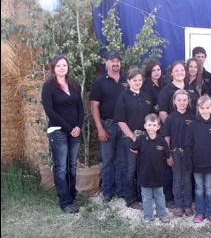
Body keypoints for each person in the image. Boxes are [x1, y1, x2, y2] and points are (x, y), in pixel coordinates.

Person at [41, 55, 84, 214]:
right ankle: (65, 202)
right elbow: (50, 111)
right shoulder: (48, 87)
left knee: (72, 166)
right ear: (54, 68)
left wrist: (78, 126)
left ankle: (72, 196)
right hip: (58, 131)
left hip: (75, 131)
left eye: (64, 65)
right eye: (58, 65)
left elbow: (81, 107)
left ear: (68, 67)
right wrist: (68, 127)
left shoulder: (73, 85)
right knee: (61, 167)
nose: (61, 68)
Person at [114, 68, 154, 209]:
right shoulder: (123, 97)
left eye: (139, 80)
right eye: (134, 80)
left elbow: (151, 117)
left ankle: (141, 196)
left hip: (145, 137)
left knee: (141, 168)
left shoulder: (146, 96)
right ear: (128, 81)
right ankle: (130, 199)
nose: (137, 82)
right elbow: (120, 120)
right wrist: (132, 136)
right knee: (130, 169)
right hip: (129, 138)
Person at [89, 50, 126, 202]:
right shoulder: (100, 82)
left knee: (122, 160)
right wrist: (100, 128)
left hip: (124, 126)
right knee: (108, 161)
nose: (115, 63)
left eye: (117, 61)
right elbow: (93, 106)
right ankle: (108, 193)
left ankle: (121, 191)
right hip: (108, 125)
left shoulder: (126, 81)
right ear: (106, 63)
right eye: (112, 61)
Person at [184, 95, 211, 224]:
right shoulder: (193, 125)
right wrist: (189, 160)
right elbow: (188, 144)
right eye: (202, 108)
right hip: (197, 162)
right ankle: (200, 212)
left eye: (207, 107)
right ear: (198, 108)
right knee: (199, 188)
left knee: (209, 188)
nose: (205, 110)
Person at [130, 113, 170, 223]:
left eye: (154, 125)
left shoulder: (162, 141)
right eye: (149, 125)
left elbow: (166, 155)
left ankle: (162, 215)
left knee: (160, 195)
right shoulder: (141, 139)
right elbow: (133, 149)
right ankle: (148, 216)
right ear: (145, 126)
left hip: (158, 174)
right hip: (144, 174)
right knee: (146, 197)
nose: (151, 127)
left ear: (158, 127)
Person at [162, 89, 196, 217]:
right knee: (177, 179)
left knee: (187, 179)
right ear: (174, 102)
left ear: (188, 102)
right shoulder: (170, 118)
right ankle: (178, 205)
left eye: (184, 100)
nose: (182, 102)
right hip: (175, 152)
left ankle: (187, 205)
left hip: (188, 153)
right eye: (179, 100)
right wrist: (168, 155)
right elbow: (166, 138)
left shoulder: (193, 117)